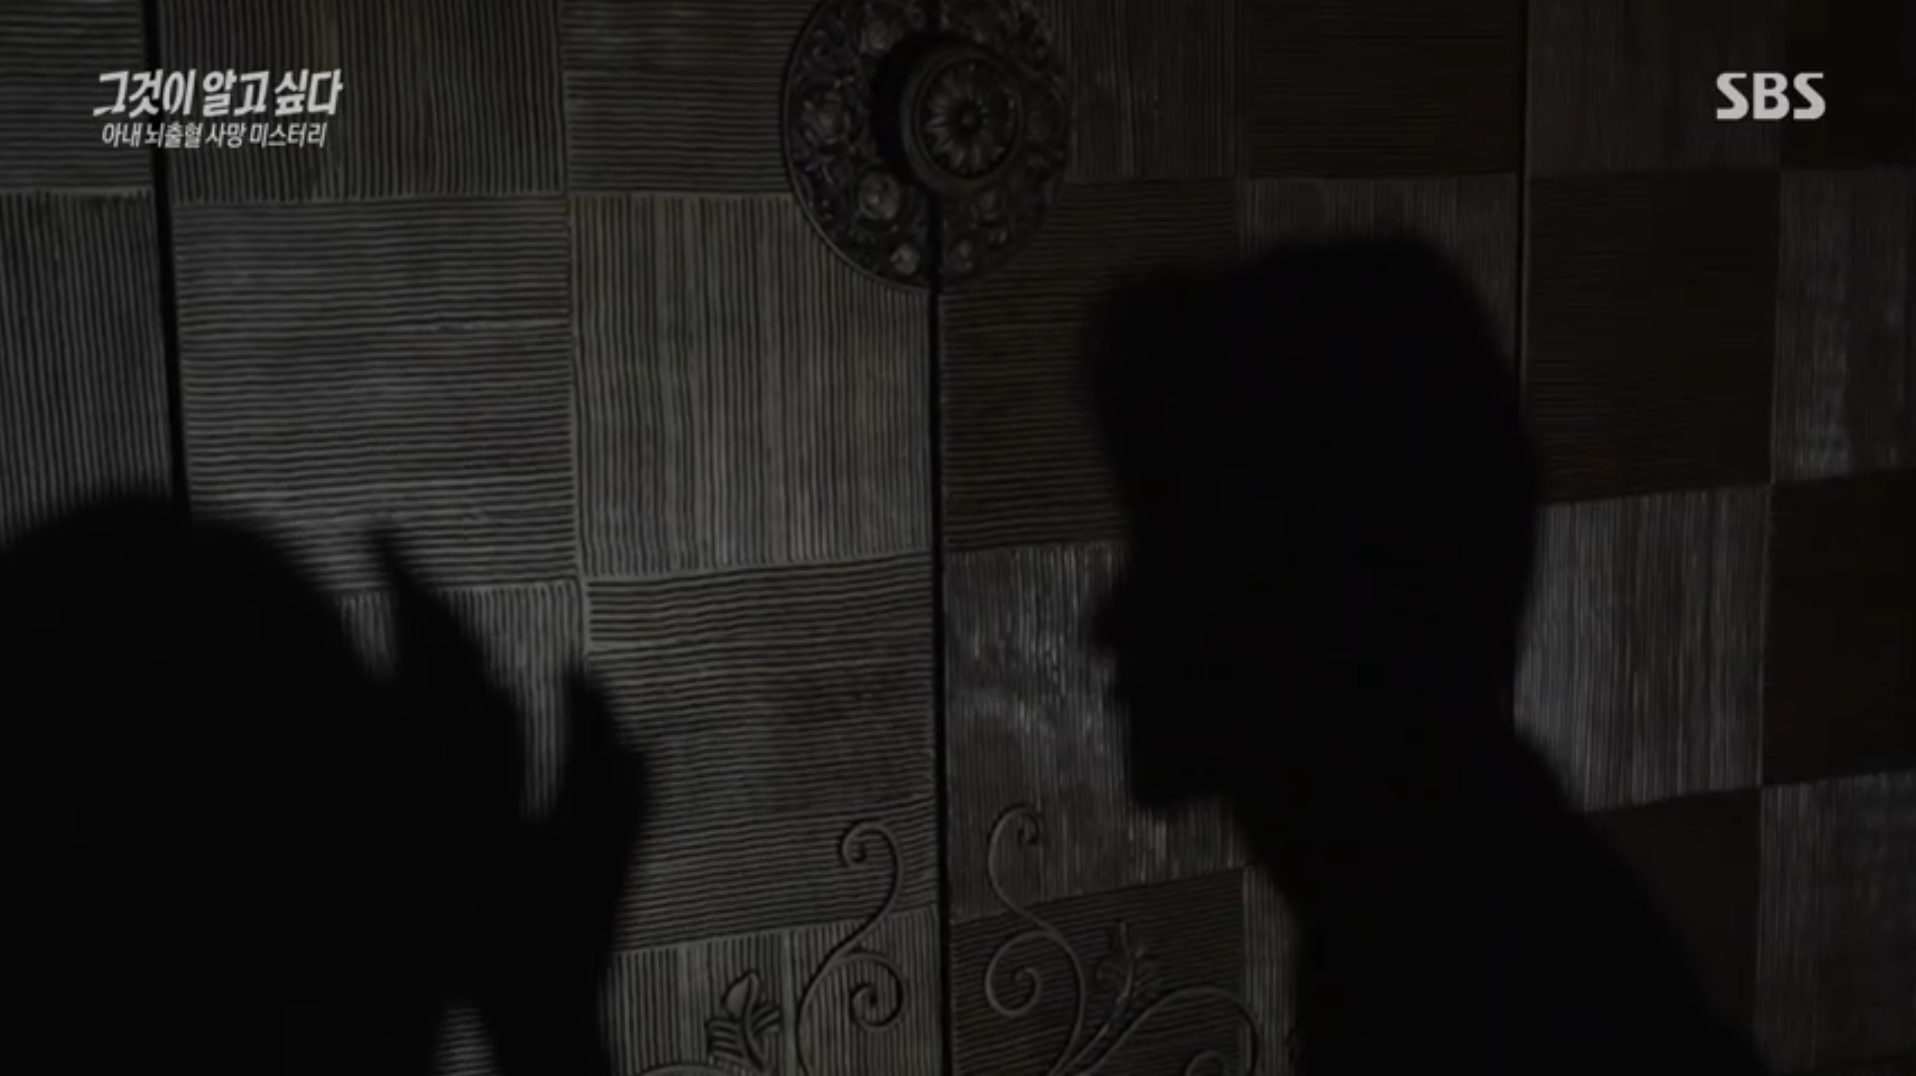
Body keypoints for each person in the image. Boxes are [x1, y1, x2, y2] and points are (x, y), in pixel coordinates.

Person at [1084, 239, 1769, 1076]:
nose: (1105, 621)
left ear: (1328, 583)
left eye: (1173, 538)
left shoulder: (1472, 976)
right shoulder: (1438, 913)